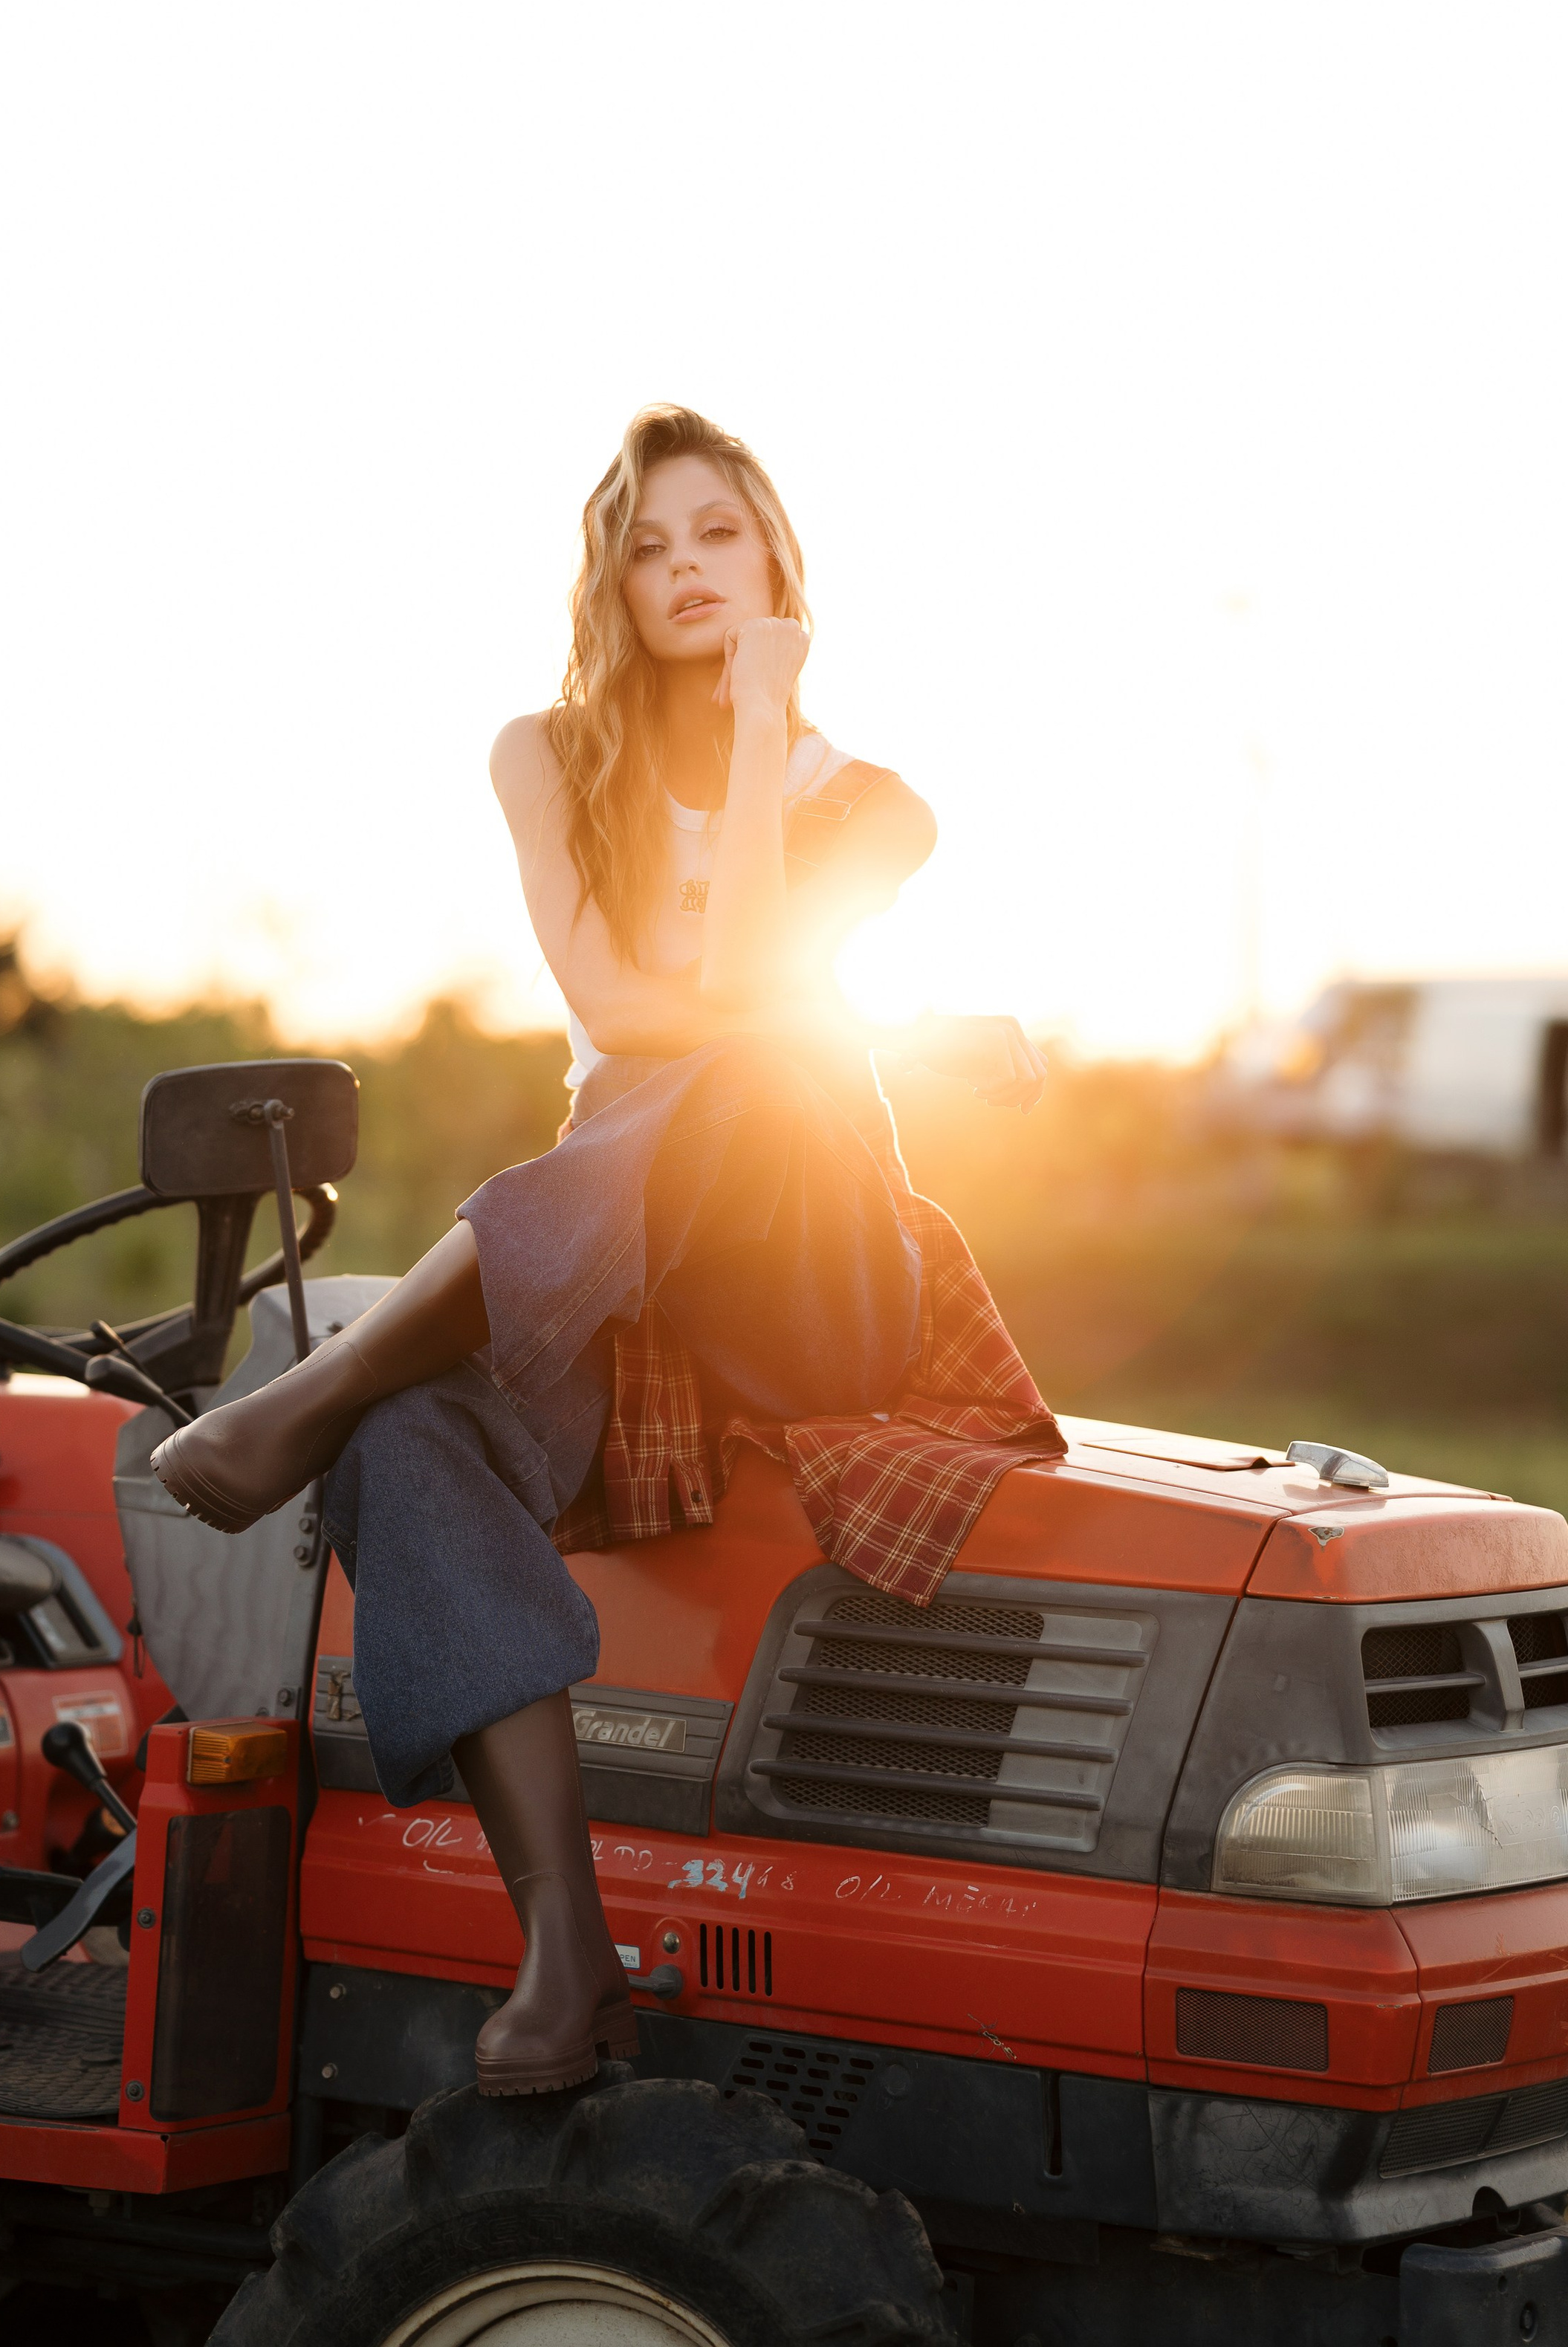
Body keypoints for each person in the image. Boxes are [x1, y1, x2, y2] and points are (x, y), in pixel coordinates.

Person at [153, 404, 1060, 2099]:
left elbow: (755, 990)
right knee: (412, 1433)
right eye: (645, 545)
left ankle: (315, 1382)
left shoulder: (877, 805)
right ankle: (564, 1955)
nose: (681, 570)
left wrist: (759, 725)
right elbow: (616, 1006)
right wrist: (911, 1031)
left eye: (715, 534)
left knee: (737, 1067)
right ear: (610, 582)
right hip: (620, 1275)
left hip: (814, 1261)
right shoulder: (542, 756)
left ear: (777, 561)